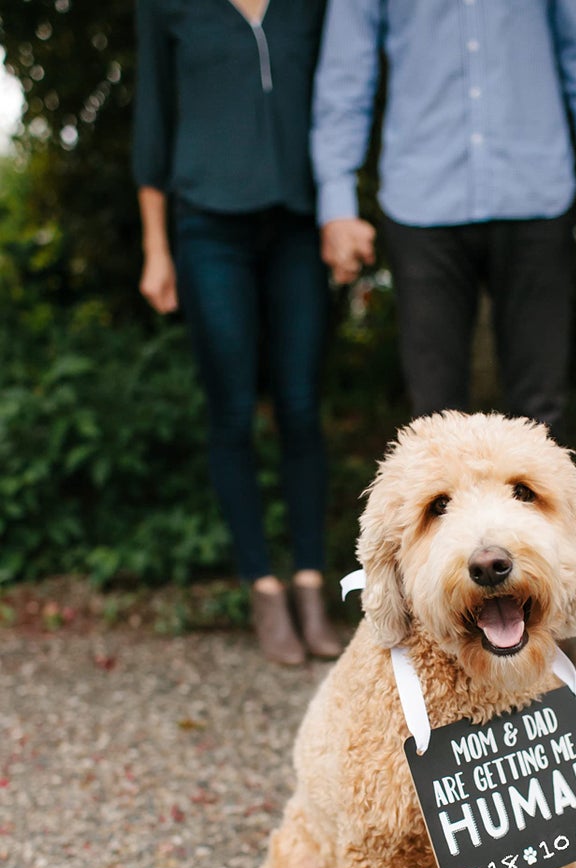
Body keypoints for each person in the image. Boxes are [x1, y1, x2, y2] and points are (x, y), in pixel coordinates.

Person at [311, 0, 576, 442]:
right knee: (432, 423)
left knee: (543, 416)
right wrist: (337, 200)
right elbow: (345, 76)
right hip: (421, 200)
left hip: (536, 191)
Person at [132, 0, 341, 665]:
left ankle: (311, 585)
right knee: (231, 411)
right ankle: (263, 585)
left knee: (302, 407)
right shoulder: (170, 7)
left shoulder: (310, 8)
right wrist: (156, 247)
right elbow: (152, 117)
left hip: (298, 225)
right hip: (206, 226)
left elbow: (338, 101)